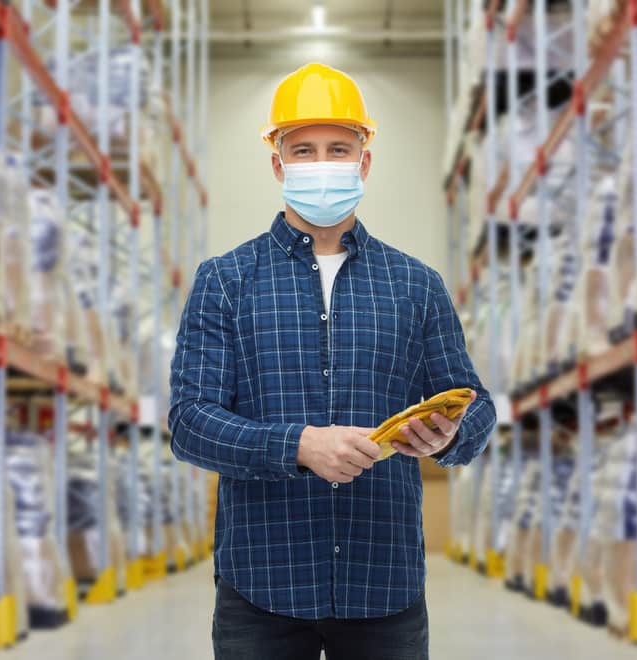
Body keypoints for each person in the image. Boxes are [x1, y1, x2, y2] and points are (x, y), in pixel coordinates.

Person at [168, 62, 496, 660]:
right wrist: (297, 446)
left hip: (384, 584)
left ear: (364, 161)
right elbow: (190, 423)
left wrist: (448, 435)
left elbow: (475, 405)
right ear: (278, 164)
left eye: (339, 148)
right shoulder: (225, 282)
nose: (323, 163)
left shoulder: (415, 285)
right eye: (304, 149)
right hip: (263, 584)